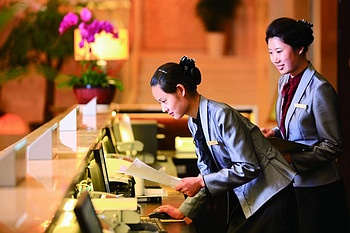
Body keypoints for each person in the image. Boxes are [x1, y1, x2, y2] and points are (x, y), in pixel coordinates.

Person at [150, 55, 299, 233]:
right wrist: (183, 210)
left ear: (180, 90)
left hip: (271, 197)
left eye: (164, 101)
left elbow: (248, 167)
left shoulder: (221, 114)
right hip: (248, 197)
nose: (163, 109)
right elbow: (207, 173)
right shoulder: (193, 122)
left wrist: (201, 181)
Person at [261, 17, 350, 233]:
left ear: (300, 48)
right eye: (271, 52)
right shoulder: (284, 81)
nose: (275, 59)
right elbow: (293, 127)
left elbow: (333, 145)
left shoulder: (320, 89)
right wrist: (273, 133)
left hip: (319, 190)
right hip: (293, 184)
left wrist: (293, 159)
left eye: (280, 51)